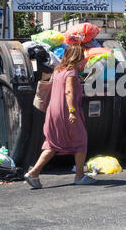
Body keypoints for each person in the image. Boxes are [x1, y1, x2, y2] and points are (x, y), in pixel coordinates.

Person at [24, 44, 96, 188]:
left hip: (53, 110)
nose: (83, 60)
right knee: (81, 140)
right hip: (65, 111)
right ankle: (79, 176)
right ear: (77, 57)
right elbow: (68, 92)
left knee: (53, 143)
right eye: (82, 57)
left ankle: (33, 173)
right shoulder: (71, 72)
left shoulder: (58, 70)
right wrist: (72, 111)